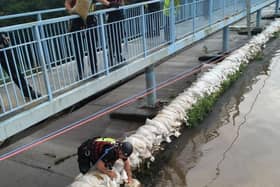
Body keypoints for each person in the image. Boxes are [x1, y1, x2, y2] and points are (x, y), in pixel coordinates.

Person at [65, 0, 118, 80]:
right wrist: (71, 10)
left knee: (92, 46)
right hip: (76, 20)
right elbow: (67, 3)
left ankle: (94, 70)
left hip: (90, 19)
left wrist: (109, 4)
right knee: (78, 49)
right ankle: (80, 72)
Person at [0, 33, 41, 99]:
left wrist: (4, 37)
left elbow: (5, 36)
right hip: (3, 49)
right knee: (15, 73)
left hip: (4, 51)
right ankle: (28, 92)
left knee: (15, 72)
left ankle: (28, 92)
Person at [106, 0, 126, 68]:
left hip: (119, 19)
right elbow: (107, 5)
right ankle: (111, 58)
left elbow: (122, 3)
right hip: (112, 20)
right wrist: (114, 4)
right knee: (112, 40)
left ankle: (118, 55)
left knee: (119, 38)